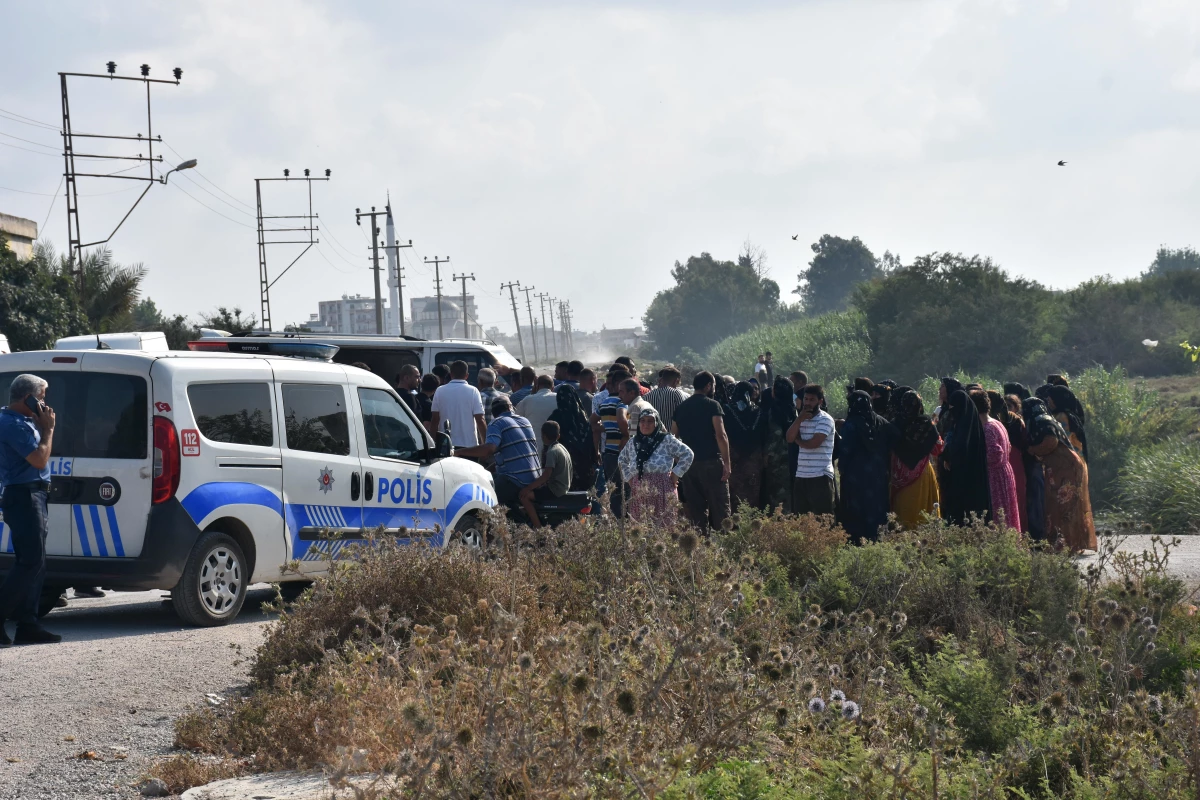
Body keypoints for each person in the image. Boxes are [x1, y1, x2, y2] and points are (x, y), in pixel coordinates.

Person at [0, 374, 61, 645]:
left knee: (37, 562)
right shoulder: (11, 424)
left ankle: (28, 624)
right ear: (28, 398)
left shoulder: (24, 421)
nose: (45, 403)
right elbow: (38, 459)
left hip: (33, 495)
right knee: (30, 561)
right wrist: (47, 430)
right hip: (24, 496)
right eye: (42, 396)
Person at [1022, 397, 1096, 553]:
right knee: (1059, 507)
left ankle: (1067, 545)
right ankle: (1066, 544)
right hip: (1062, 466)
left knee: (1063, 508)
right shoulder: (1045, 419)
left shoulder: (1042, 421)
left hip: (1065, 467)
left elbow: (1051, 442)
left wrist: (1032, 450)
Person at [456, 396, 540, 511]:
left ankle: (509, 523)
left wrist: (459, 452)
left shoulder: (496, 423)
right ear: (510, 407)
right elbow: (511, 458)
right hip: (534, 478)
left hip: (516, 480)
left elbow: (489, 449)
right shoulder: (524, 421)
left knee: (481, 492)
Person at [671, 371, 732, 530]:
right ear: (708, 386)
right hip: (712, 462)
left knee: (696, 511)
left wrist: (679, 462)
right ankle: (724, 548)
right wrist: (727, 463)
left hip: (690, 466)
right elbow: (721, 435)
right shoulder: (713, 405)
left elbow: (672, 438)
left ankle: (700, 548)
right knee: (720, 509)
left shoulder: (681, 407)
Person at [835, 390, 897, 543]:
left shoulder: (852, 424)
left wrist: (842, 468)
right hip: (878, 475)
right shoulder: (882, 422)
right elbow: (895, 439)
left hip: (855, 477)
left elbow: (845, 450)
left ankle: (857, 542)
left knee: (856, 510)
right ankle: (878, 539)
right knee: (876, 507)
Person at [618, 407, 694, 524]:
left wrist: (676, 474)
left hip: (663, 488)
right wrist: (629, 478)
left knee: (664, 527)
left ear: (657, 423)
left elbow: (688, 454)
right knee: (641, 528)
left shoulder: (666, 440)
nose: (645, 424)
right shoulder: (633, 442)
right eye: (642, 421)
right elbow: (621, 460)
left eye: (650, 421)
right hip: (639, 491)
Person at [890, 390, 942, 529]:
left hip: (899, 472)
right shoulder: (926, 424)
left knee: (903, 508)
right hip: (922, 471)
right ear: (919, 405)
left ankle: (903, 539)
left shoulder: (895, 423)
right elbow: (937, 449)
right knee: (924, 510)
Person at [937, 389, 991, 525]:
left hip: (969, 480)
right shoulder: (960, 425)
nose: (951, 410)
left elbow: (961, 450)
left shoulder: (969, 429)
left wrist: (949, 456)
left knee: (969, 517)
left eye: (954, 407)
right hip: (958, 481)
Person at [974, 390, 1021, 531]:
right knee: (1007, 513)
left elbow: (995, 454)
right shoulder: (996, 423)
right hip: (1005, 472)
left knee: (998, 514)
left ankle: (1002, 547)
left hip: (995, 477)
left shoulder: (987, 428)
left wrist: (976, 463)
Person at [786, 384, 836, 517]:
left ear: (820, 401)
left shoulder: (825, 419)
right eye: (806, 399)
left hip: (820, 476)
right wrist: (799, 419)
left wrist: (799, 441)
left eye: (812, 400)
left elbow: (814, 443)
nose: (807, 403)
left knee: (823, 519)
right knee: (801, 519)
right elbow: (789, 438)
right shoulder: (801, 419)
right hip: (801, 475)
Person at [517, 421, 573, 528]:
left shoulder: (552, 452)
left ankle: (538, 528)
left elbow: (546, 475)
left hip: (555, 489)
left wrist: (528, 488)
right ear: (558, 435)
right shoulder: (562, 448)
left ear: (543, 436)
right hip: (563, 486)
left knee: (524, 497)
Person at [592, 372, 631, 516]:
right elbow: (621, 419)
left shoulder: (604, 403)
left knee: (613, 490)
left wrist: (606, 428)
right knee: (626, 490)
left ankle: (617, 522)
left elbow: (592, 421)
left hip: (608, 451)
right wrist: (625, 435)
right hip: (622, 453)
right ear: (618, 385)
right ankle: (627, 523)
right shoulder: (622, 403)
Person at [722, 380, 764, 511]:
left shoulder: (727, 409)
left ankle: (734, 521)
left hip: (733, 456)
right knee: (752, 490)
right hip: (753, 458)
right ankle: (751, 520)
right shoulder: (757, 411)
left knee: (734, 489)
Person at [548, 383, 595, 491]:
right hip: (583, 464)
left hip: (562, 464)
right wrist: (592, 460)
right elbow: (589, 440)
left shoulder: (555, 417)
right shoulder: (583, 418)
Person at [994, 391, 1029, 533]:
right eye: (1005, 405)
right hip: (1007, 460)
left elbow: (1024, 442)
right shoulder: (998, 422)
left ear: (1016, 407)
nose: (1007, 409)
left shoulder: (1016, 421)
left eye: (1010, 405)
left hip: (1014, 460)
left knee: (1018, 496)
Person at [761, 375, 797, 513]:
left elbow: (774, 436)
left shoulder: (774, 410)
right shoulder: (793, 409)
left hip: (777, 460)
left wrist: (766, 456)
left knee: (776, 494)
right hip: (793, 457)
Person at [430, 361, 486, 448]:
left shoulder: (439, 391)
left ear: (451, 374)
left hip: (446, 445)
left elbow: (435, 420)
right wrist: (485, 445)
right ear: (467, 375)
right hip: (469, 446)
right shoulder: (473, 391)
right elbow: (480, 420)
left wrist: (433, 444)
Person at [1046, 384, 1088, 461]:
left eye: (1050, 399)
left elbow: (1062, 442)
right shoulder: (1068, 415)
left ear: (1057, 400)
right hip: (1075, 462)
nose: (1048, 402)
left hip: (1070, 463)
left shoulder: (1062, 417)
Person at [516, 375, 559, 451]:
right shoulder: (559, 399)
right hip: (555, 448)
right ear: (553, 388)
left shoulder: (527, 400)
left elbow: (516, 419)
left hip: (533, 447)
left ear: (536, 386)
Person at [645, 366, 688, 430]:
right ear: (677, 381)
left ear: (661, 379)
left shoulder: (647, 396)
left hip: (652, 437)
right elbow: (683, 418)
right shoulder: (676, 394)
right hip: (672, 438)